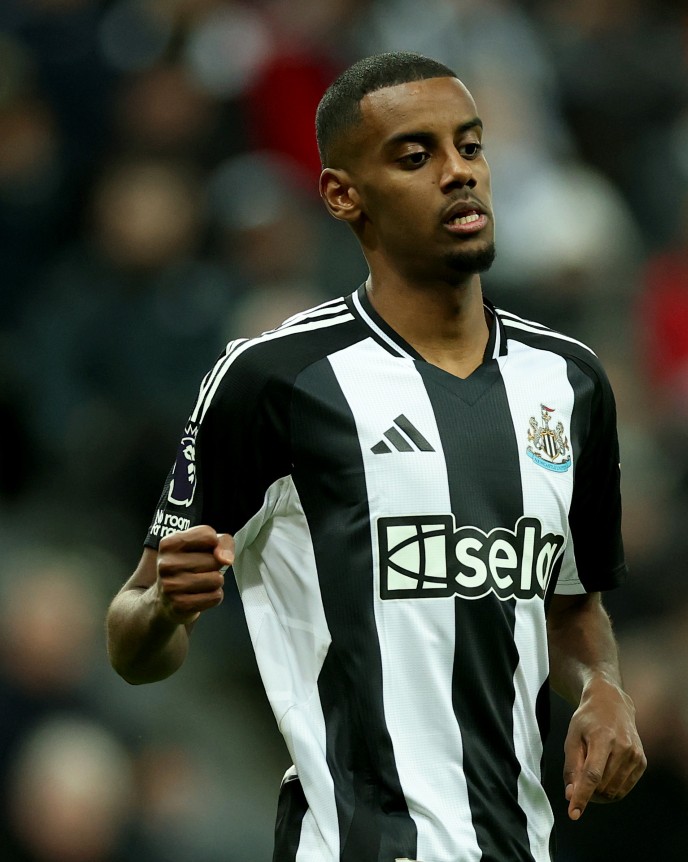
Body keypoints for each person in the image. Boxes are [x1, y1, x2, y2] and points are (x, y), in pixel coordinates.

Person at [106, 52, 646, 862]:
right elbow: (132, 640)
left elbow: (573, 607)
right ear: (342, 195)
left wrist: (604, 689)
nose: (459, 173)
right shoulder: (276, 381)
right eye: (416, 155)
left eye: (470, 146)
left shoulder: (569, 381)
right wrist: (166, 609)